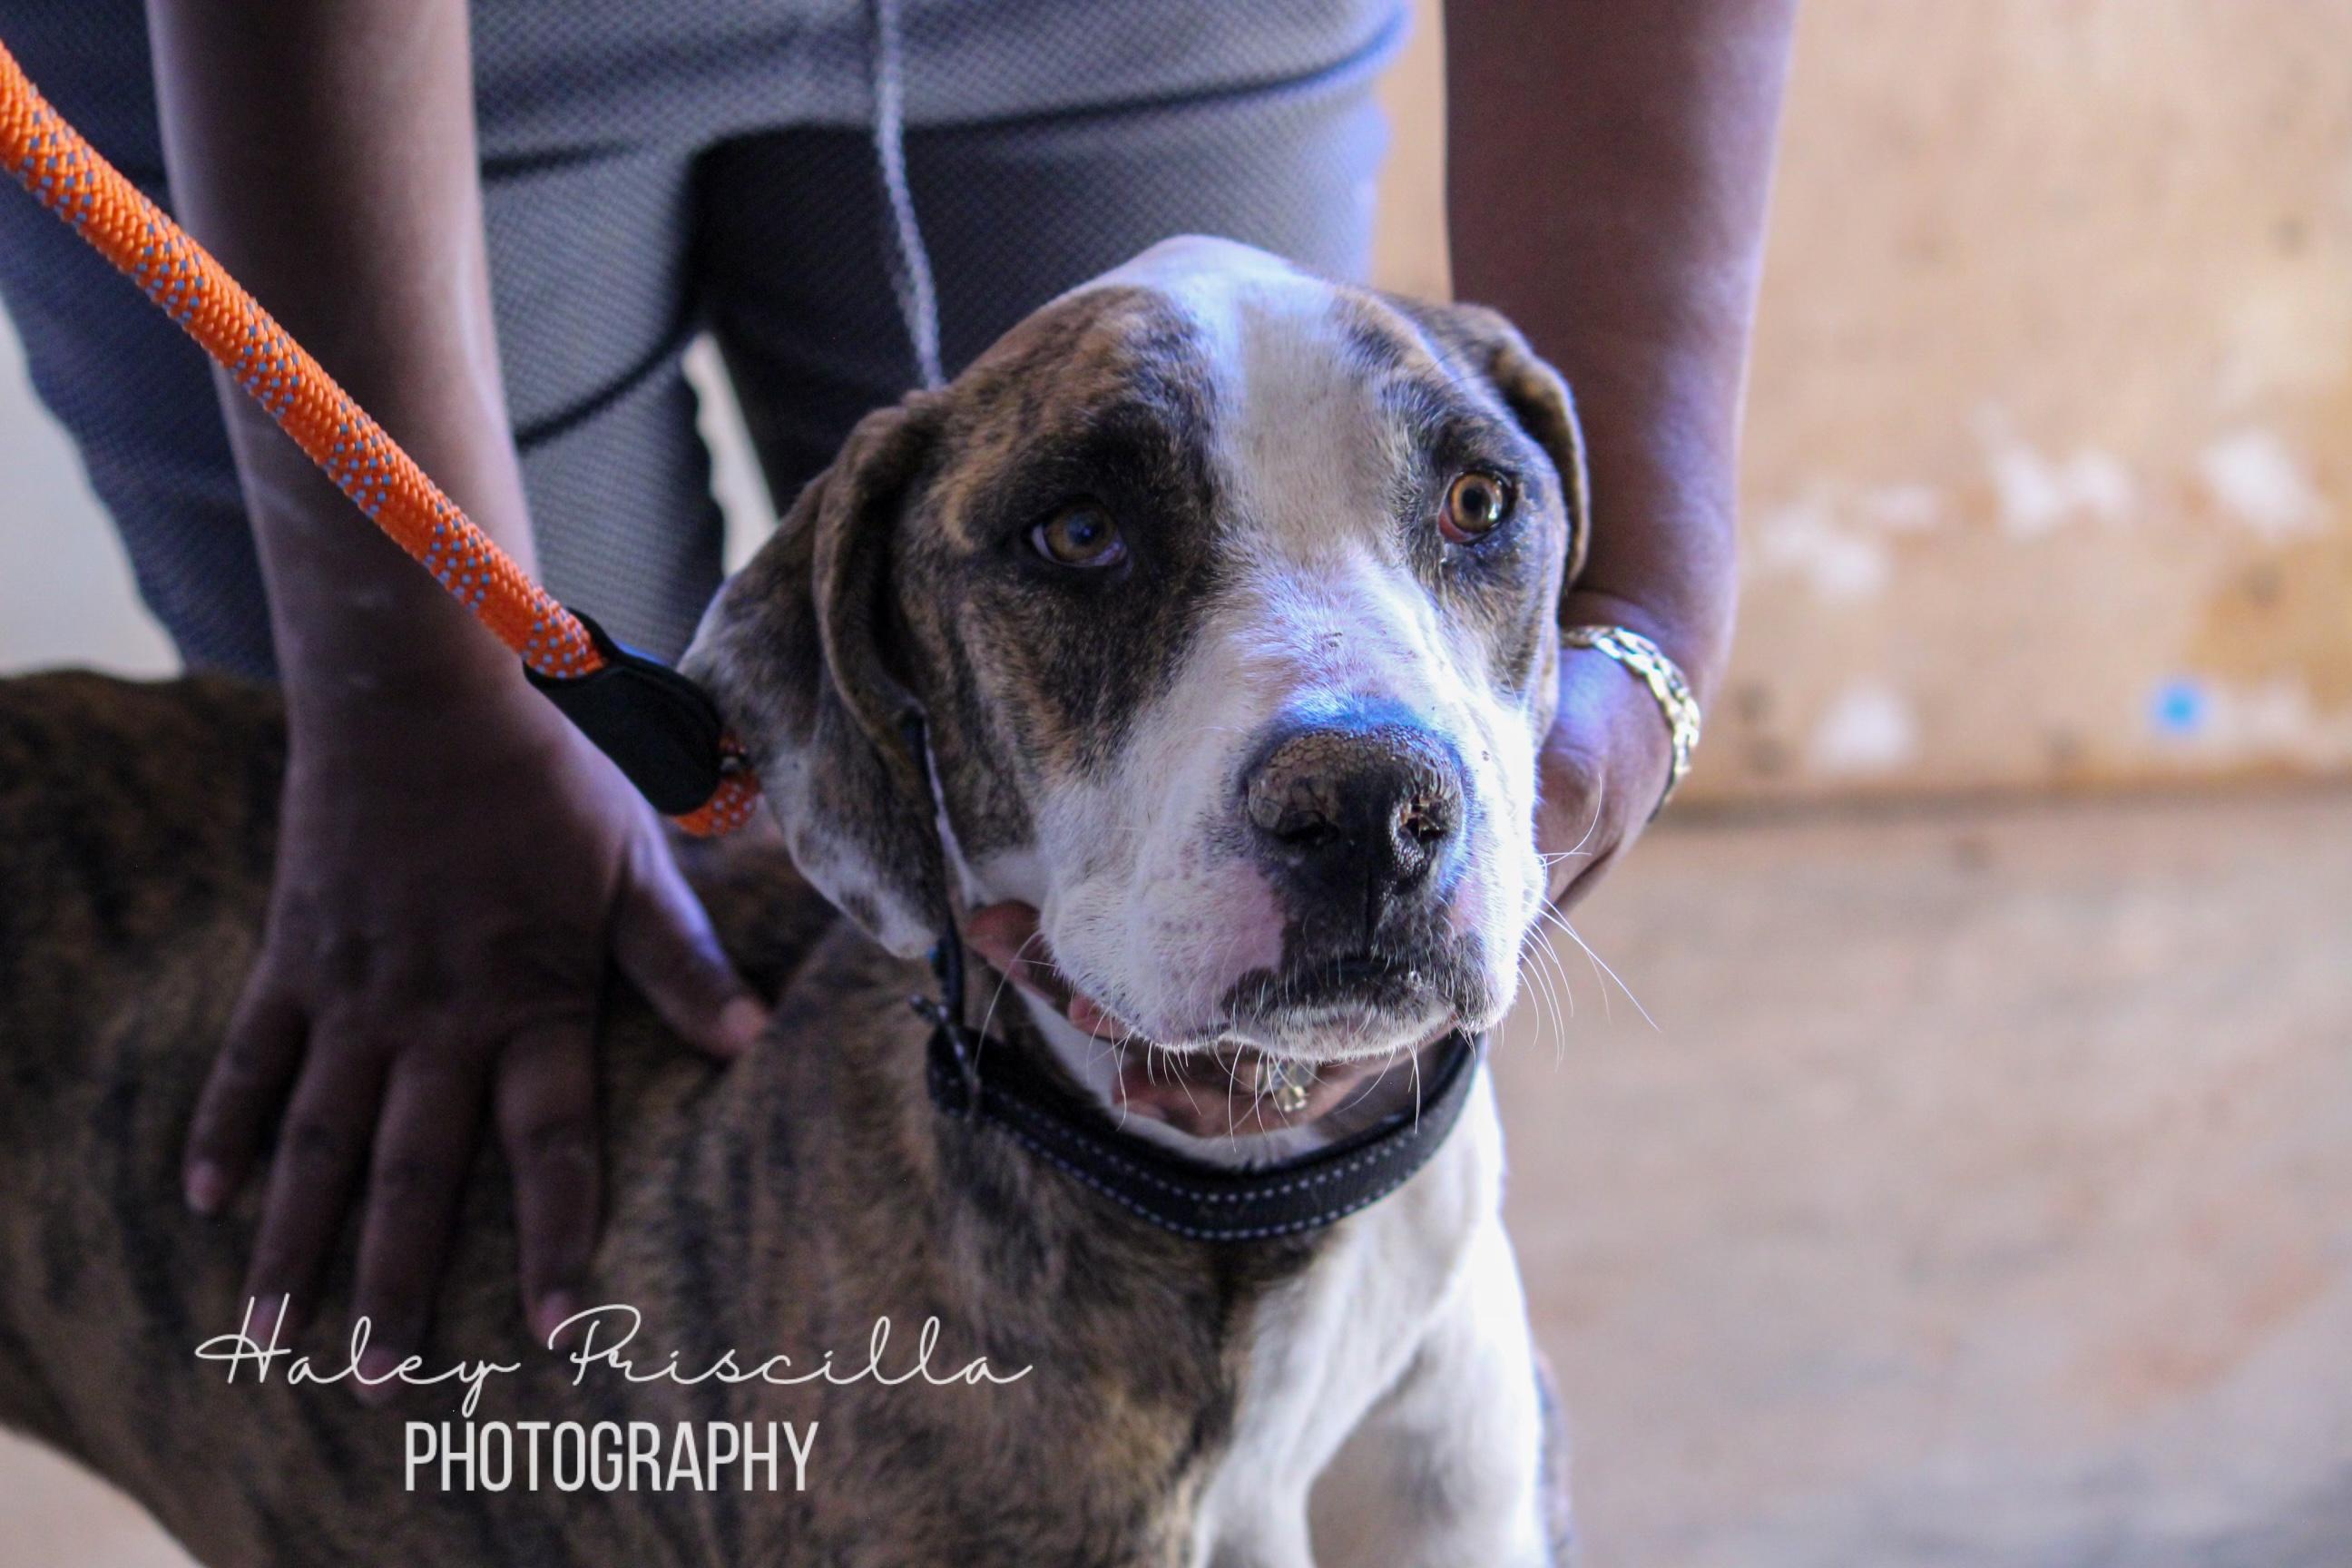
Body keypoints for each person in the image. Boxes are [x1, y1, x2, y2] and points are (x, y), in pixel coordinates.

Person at [0, 1, 1793, 1377]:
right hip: (363, 64)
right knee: (532, 1058)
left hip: (1147, 31)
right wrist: (415, 702)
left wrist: (1638, 626)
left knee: (1236, 888)